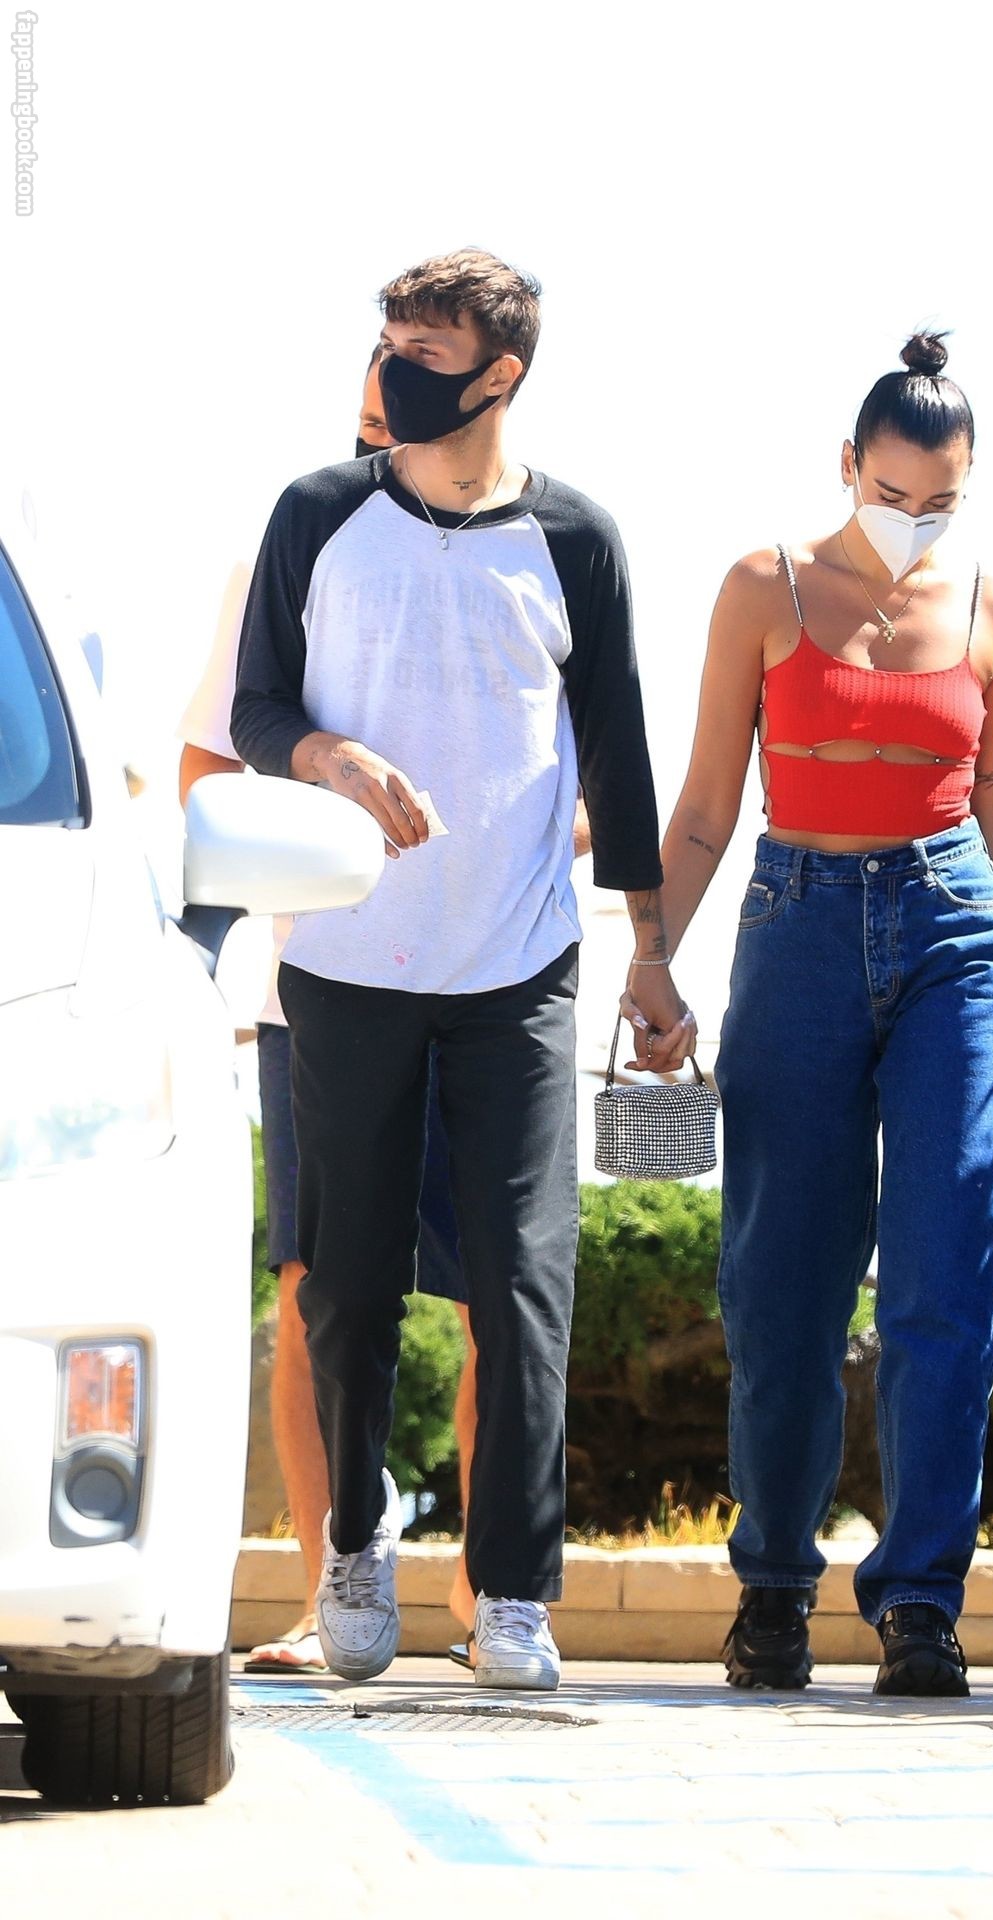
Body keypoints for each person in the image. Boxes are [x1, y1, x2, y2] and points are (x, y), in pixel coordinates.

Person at [230, 249, 693, 1692]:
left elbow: (620, 757)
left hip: (520, 966)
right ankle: (353, 1550)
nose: (394, 368)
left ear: (501, 374)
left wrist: (651, 955)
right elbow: (255, 708)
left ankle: (512, 1595)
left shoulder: (578, 540)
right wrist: (329, 756)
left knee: (524, 1282)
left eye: (423, 349)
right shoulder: (317, 513)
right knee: (348, 1288)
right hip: (344, 960)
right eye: (388, 342)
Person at [632, 332, 993, 1697]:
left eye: (941, 499)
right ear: (848, 466)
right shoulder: (763, 587)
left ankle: (921, 1603)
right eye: (892, 491)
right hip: (796, 922)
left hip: (957, 935)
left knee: (948, 1275)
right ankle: (771, 1588)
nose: (914, 517)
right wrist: (650, 957)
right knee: (782, 1286)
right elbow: (706, 806)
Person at [178, 348, 485, 1669]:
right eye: (366, 424)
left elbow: (588, 781)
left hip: (484, 981)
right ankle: (326, 1596)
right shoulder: (286, 554)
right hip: (316, 988)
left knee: (498, 1298)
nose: (381, 448)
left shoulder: (530, 554)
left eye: (404, 423)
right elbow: (206, 764)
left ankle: (490, 1600)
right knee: (313, 1292)